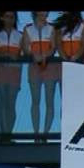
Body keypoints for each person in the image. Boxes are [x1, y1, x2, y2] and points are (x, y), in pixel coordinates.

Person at [22, 11, 59, 141]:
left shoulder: (51, 28)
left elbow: (53, 47)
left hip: (49, 66)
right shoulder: (28, 28)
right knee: (35, 100)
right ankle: (36, 133)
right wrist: (34, 55)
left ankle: (45, 133)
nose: (45, 15)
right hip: (34, 66)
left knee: (50, 101)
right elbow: (25, 47)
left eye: (46, 14)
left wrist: (45, 55)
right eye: (42, 13)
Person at [0, 11, 22, 136]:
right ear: (2, 18)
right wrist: (3, 54)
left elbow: (24, 53)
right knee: (2, 102)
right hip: (1, 70)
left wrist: (16, 56)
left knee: (11, 103)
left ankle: (8, 132)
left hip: (15, 71)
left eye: (12, 17)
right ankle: (3, 132)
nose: (10, 20)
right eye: (7, 17)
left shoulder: (20, 36)